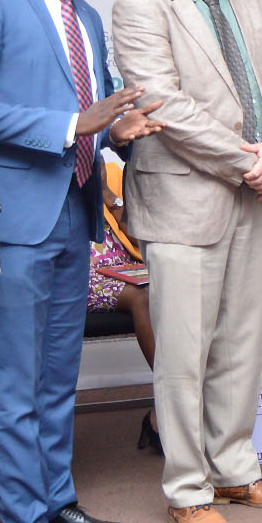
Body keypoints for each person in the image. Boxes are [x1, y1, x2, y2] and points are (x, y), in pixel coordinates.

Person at [0, 0, 163, 523]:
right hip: (13, 223)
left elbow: (95, 106)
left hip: (72, 214)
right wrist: (68, 126)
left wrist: (116, 127)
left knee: (56, 381)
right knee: (15, 385)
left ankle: (56, 503)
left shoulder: (83, 12)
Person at [112, 0, 262, 523]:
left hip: (249, 191)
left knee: (241, 344)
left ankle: (233, 470)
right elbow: (163, 105)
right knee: (185, 355)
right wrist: (248, 160)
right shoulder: (140, 5)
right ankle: (187, 490)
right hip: (183, 202)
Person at [87, 161, 161, 453]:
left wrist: (108, 195)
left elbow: (136, 236)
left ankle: (164, 410)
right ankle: (177, 399)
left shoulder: (115, 174)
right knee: (141, 297)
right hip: (80, 273)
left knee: (178, 286)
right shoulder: (52, 176)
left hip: (127, 266)